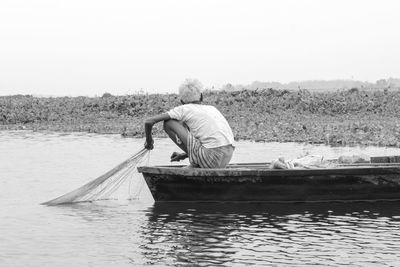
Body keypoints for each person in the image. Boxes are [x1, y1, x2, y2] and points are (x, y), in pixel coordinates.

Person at [144, 79, 235, 168]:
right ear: (201, 97)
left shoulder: (184, 109)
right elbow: (213, 143)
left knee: (169, 122)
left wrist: (149, 142)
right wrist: (184, 155)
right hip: (227, 157)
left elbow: (149, 122)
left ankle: (196, 159)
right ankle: (194, 158)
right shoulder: (212, 108)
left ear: (182, 102)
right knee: (185, 123)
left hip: (211, 159)